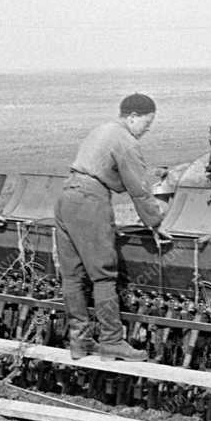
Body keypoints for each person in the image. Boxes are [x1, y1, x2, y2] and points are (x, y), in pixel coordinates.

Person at [55, 93, 167, 362]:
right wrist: (155, 223)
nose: (147, 130)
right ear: (133, 117)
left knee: (72, 276)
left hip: (65, 197)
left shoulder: (101, 131)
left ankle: (79, 342)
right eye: (147, 124)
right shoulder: (125, 141)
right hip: (89, 201)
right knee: (103, 276)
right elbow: (138, 190)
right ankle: (112, 341)